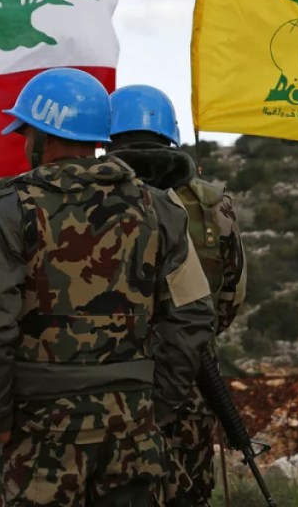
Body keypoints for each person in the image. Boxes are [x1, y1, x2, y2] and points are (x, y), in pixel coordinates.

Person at [0, 68, 216, 506]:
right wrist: (158, 405)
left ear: (44, 137)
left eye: (26, 133)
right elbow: (193, 312)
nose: (23, 143)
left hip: (42, 430)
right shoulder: (158, 208)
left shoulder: (9, 210)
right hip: (133, 426)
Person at [107, 84, 247, 506]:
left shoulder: (91, 197)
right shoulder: (211, 204)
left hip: (112, 383)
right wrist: (192, 339)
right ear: (171, 134)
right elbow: (231, 295)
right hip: (191, 377)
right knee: (188, 493)